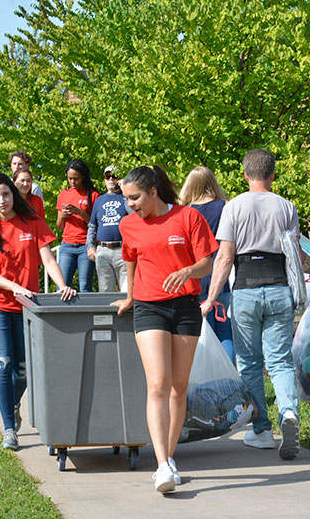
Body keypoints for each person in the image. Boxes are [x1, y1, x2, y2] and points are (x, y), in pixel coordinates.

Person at [201, 149, 310, 461]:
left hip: (245, 291)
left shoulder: (233, 207)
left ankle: (261, 428)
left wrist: (211, 297)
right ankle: (289, 414)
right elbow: (295, 255)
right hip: (279, 290)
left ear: (245, 175)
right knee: (281, 362)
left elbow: (225, 258)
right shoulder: (286, 206)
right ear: (272, 175)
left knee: (249, 363)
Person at [110, 165, 218, 493]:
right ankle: (160, 465)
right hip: (149, 306)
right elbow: (130, 258)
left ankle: (169, 458)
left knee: (178, 388)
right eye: (127, 198)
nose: (130, 204)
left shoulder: (188, 218)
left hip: (185, 307)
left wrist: (187, 271)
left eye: (135, 197)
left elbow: (207, 263)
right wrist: (129, 295)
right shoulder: (129, 224)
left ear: (153, 191)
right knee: (157, 383)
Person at [0, 172, 76, 451]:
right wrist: (15, 286)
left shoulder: (33, 222)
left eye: (5, 194)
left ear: (13, 194)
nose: (2, 201)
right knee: (4, 364)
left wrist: (63, 285)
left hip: (28, 306)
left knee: (25, 370)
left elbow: (49, 260)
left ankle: (13, 402)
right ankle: (8, 429)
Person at [179, 166, 234, 364]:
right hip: (222, 275)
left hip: (198, 277)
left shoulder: (186, 211)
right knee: (225, 332)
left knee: (203, 332)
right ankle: (229, 379)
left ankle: (206, 380)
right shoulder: (225, 206)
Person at [56, 159, 100, 292]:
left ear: (83, 177)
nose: (73, 182)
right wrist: (64, 215)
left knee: (85, 287)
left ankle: (85, 313)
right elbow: (59, 225)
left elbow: (95, 225)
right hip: (67, 245)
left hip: (85, 246)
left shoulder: (93, 195)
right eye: (70, 179)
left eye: (76, 178)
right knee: (62, 286)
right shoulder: (64, 194)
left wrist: (79, 212)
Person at [86, 165, 129, 292]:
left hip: (123, 250)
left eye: (114, 176)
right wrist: (89, 246)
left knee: (127, 292)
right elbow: (92, 226)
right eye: (107, 176)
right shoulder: (99, 200)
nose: (111, 180)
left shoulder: (126, 198)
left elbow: (135, 216)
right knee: (105, 292)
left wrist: (126, 192)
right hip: (103, 250)